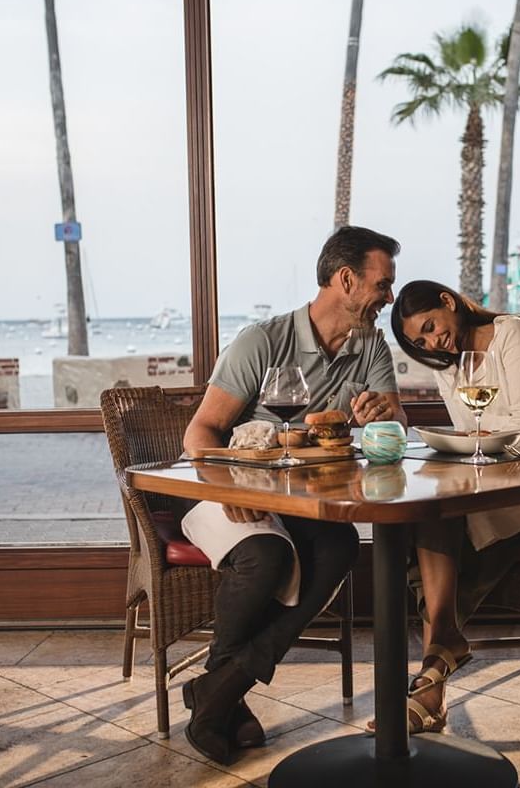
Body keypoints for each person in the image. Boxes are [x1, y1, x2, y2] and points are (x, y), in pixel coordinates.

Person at [180, 225, 407, 764]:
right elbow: (200, 434)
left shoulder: (370, 344)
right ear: (346, 280)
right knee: (267, 553)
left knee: (340, 545)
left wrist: (387, 415)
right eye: (384, 283)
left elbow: (397, 420)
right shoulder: (262, 341)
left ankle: (217, 688)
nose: (389, 297)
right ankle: (223, 691)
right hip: (233, 493)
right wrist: (228, 487)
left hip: (305, 503)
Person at [386, 279, 520, 734]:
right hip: (496, 482)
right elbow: (473, 437)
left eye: (431, 327)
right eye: (420, 342)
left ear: (448, 301)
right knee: (431, 515)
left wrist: (475, 440)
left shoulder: (513, 334)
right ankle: (439, 662)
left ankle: (434, 674)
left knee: (437, 533)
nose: (433, 342)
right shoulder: (447, 364)